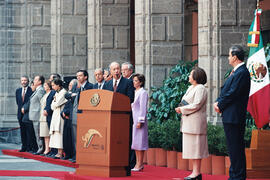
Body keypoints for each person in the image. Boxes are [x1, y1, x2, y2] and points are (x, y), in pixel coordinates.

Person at [213, 45, 250, 180]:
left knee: (236, 148)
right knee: (233, 148)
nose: (228, 58)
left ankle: (238, 177)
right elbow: (225, 90)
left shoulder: (242, 72)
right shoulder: (234, 72)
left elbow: (233, 93)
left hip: (234, 116)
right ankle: (234, 175)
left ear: (235, 57)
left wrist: (220, 105)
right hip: (229, 115)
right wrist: (218, 102)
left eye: (229, 55)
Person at [175, 67, 208, 180]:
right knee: (191, 149)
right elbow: (186, 101)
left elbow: (197, 104)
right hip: (188, 122)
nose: (188, 76)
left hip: (196, 123)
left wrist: (182, 110)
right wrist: (181, 107)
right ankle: (194, 172)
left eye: (190, 74)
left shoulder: (201, 88)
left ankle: (197, 173)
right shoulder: (191, 87)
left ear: (196, 76)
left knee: (196, 149)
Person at [103, 61, 135, 176]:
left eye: (118, 69)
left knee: (124, 143)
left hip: (124, 119)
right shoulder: (107, 84)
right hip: (110, 120)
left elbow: (130, 99)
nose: (116, 71)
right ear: (110, 71)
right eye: (114, 69)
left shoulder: (128, 82)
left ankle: (125, 168)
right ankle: (111, 166)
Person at [70, 69, 93, 163]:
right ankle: (77, 155)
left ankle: (86, 156)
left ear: (85, 77)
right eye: (77, 76)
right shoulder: (77, 87)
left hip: (86, 115)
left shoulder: (90, 86)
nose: (78, 78)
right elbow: (69, 96)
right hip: (76, 114)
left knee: (86, 137)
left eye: (80, 76)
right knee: (76, 137)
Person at [130, 74, 148, 172]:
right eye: (133, 80)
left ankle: (140, 163)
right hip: (133, 119)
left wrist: (141, 121)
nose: (134, 82)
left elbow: (143, 108)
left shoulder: (143, 92)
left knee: (140, 143)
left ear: (140, 82)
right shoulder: (134, 92)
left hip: (139, 120)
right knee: (135, 143)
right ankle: (137, 163)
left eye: (136, 81)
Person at [49, 79, 67, 159]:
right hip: (55, 114)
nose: (52, 87)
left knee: (60, 133)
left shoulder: (63, 92)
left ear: (58, 85)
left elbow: (56, 104)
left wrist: (54, 103)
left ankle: (60, 152)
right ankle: (57, 151)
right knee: (55, 134)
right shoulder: (57, 93)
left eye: (53, 85)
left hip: (60, 115)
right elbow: (52, 106)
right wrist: (54, 103)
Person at [29, 75, 46, 155]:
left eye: (36, 79)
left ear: (40, 81)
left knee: (38, 134)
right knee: (37, 133)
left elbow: (42, 103)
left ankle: (41, 148)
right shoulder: (37, 90)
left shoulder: (40, 90)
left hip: (38, 115)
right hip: (34, 115)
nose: (34, 81)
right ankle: (40, 147)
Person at [61, 79, 78, 160]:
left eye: (71, 85)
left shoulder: (74, 94)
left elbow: (72, 107)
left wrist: (67, 112)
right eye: (69, 85)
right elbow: (66, 105)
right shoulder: (69, 94)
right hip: (66, 118)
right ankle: (67, 154)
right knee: (66, 138)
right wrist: (63, 113)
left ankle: (72, 154)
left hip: (72, 117)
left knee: (72, 139)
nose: (69, 86)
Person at [15, 76, 33, 152]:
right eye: (22, 80)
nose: (24, 82)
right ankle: (24, 146)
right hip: (20, 114)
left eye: (25, 80)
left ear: (28, 81)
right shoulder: (18, 91)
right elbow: (18, 102)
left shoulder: (31, 90)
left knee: (29, 131)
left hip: (28, 113)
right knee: (22, 131)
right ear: (20, 82)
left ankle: (29, 147)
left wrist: (25, 109)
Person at [39, 80, 53, 156]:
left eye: (45, 85)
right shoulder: (45, 94)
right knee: (44, 134)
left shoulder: (50, 93)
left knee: (47, 134)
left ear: (49, 86)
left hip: (46, 116)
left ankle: (48, 149)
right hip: (42, 116)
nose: (44, 87)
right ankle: (46, 148)